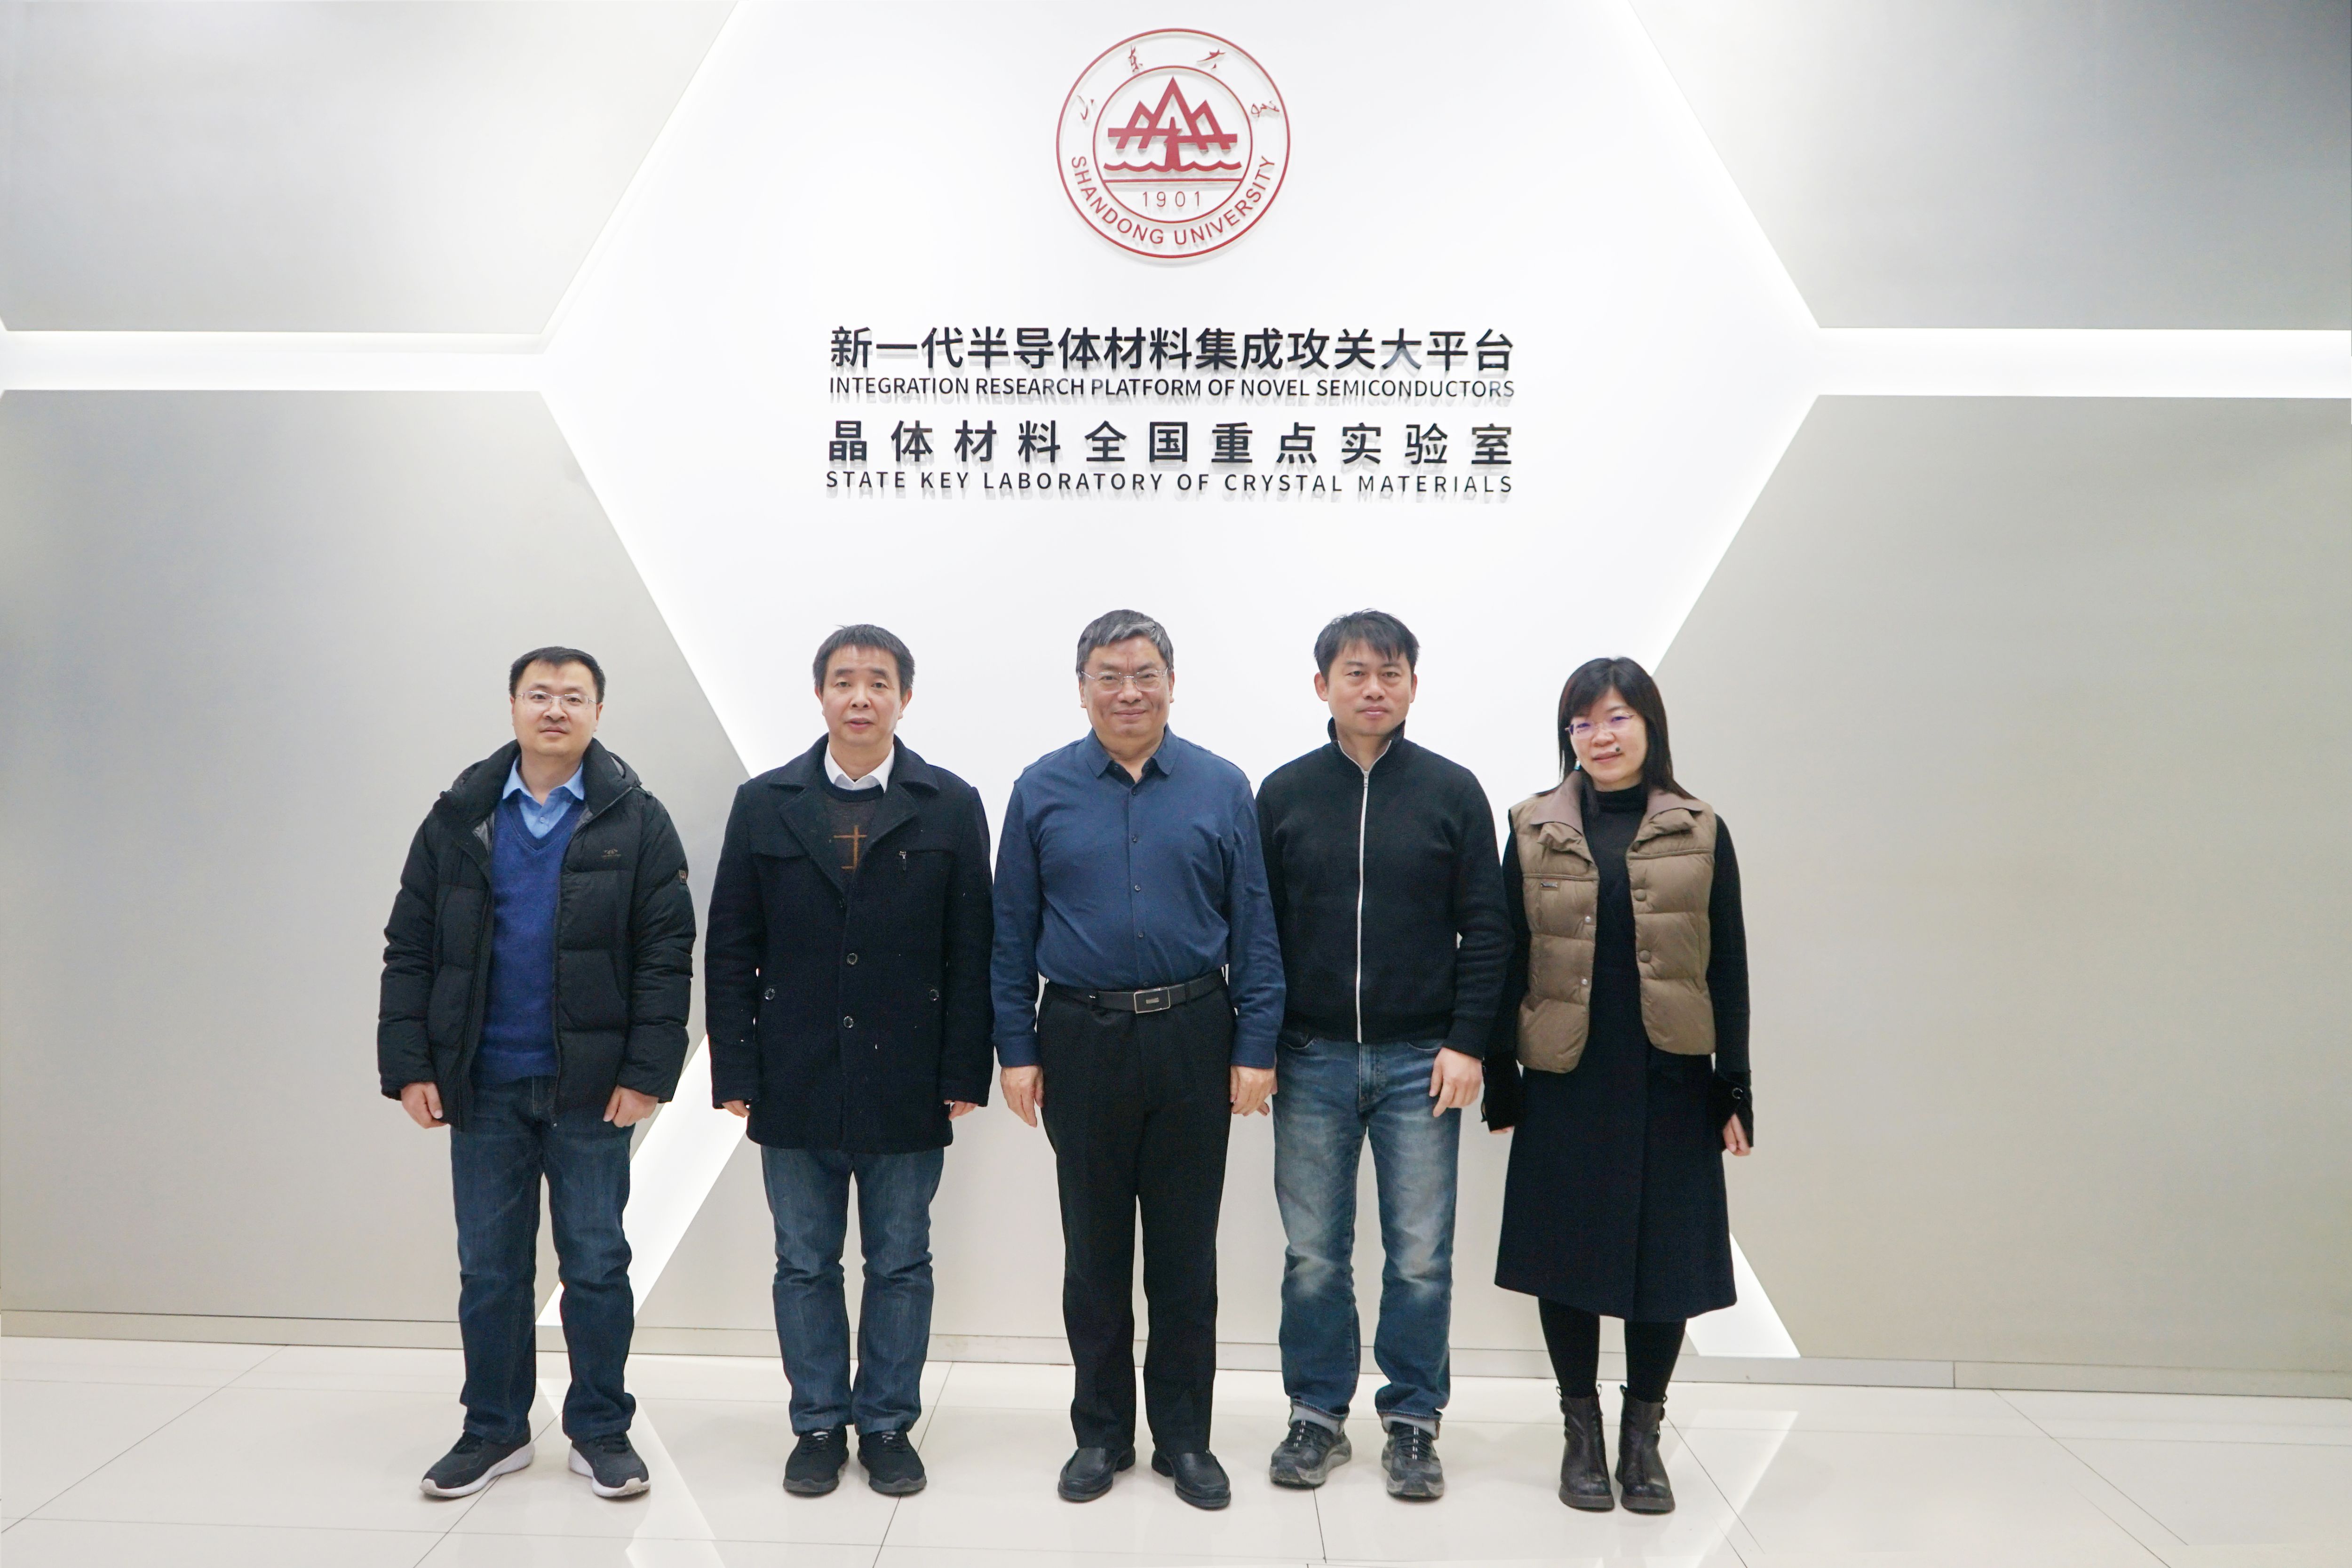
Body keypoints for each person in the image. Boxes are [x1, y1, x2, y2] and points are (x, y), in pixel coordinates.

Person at [379, 646, 696, 1501]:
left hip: (591, 1087)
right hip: (482, 1080)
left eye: (574, 697)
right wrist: (410, 1064)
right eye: (540, 694)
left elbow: (667, 955)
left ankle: (601, 1429)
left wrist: (648, 1070)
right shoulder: (460, 816)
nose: (556, 709)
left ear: (598, 712)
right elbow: (410, 946)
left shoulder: (637, 818)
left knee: (596, 1264)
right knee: (490, 1268)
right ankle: (494, 1428)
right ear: (514, 705)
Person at [991, 609, 1285, 1511]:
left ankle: (1185, 1438)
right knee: (1094, 1251)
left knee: (1186, 1254)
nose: (1129, 691)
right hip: (1080, 1037)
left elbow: (1255, 924)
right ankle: (1102, 1433)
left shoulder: (1221, 785)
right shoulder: (1040, 789)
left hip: (1196, 1030)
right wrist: (1016, 1049)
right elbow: (1011, 932)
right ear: (1082, 688)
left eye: (1145, 673)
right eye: (1110, 676)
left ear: (1171, 683)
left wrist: (1256, 1044)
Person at [705, 625, 993, 1499]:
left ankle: (889, 1424)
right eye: (843, 681)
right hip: (795, 1074)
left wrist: (964, 1070)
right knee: (804, 1262)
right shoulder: (765, 802)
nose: (860, 696)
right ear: (820, 695)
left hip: (909, 1076)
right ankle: (820, 1423)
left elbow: (972, 948)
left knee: (901, 1261)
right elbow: (731, 946)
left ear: (905, 696)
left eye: (878, 681)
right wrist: (736, 1072)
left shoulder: (950, 803)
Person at [1483, 656, 1753, 1515]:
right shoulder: (1533, 826)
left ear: (1650, 726)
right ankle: (1581, 1433)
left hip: (1671, 1071)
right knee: (1566, 1255)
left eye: (1617, 718)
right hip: (1567, 1071)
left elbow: (1728, 961)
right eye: (1583, 722)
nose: (1600, 736)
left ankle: (1643, 1437)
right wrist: (1499, 1071)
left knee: (1664, 1259)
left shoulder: (1701, 828)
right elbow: (1505, 952)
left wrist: (1735, 1083)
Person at [1253, 611, 1511, 1500]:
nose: (1373, 688)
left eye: (1390, 673)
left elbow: (1488, 929)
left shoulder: (1452, 791)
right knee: (1313, 1254)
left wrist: (1468, 1040)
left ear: (1413, 685)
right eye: (1355, 672)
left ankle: (1413, 1422)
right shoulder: (1285, 793)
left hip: (1420, 1061)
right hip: (1311, 1055)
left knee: (1421, 1254)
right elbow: (1259, 935)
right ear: (1321, 684)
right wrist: (1259, 1045)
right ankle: (1316, 1414)